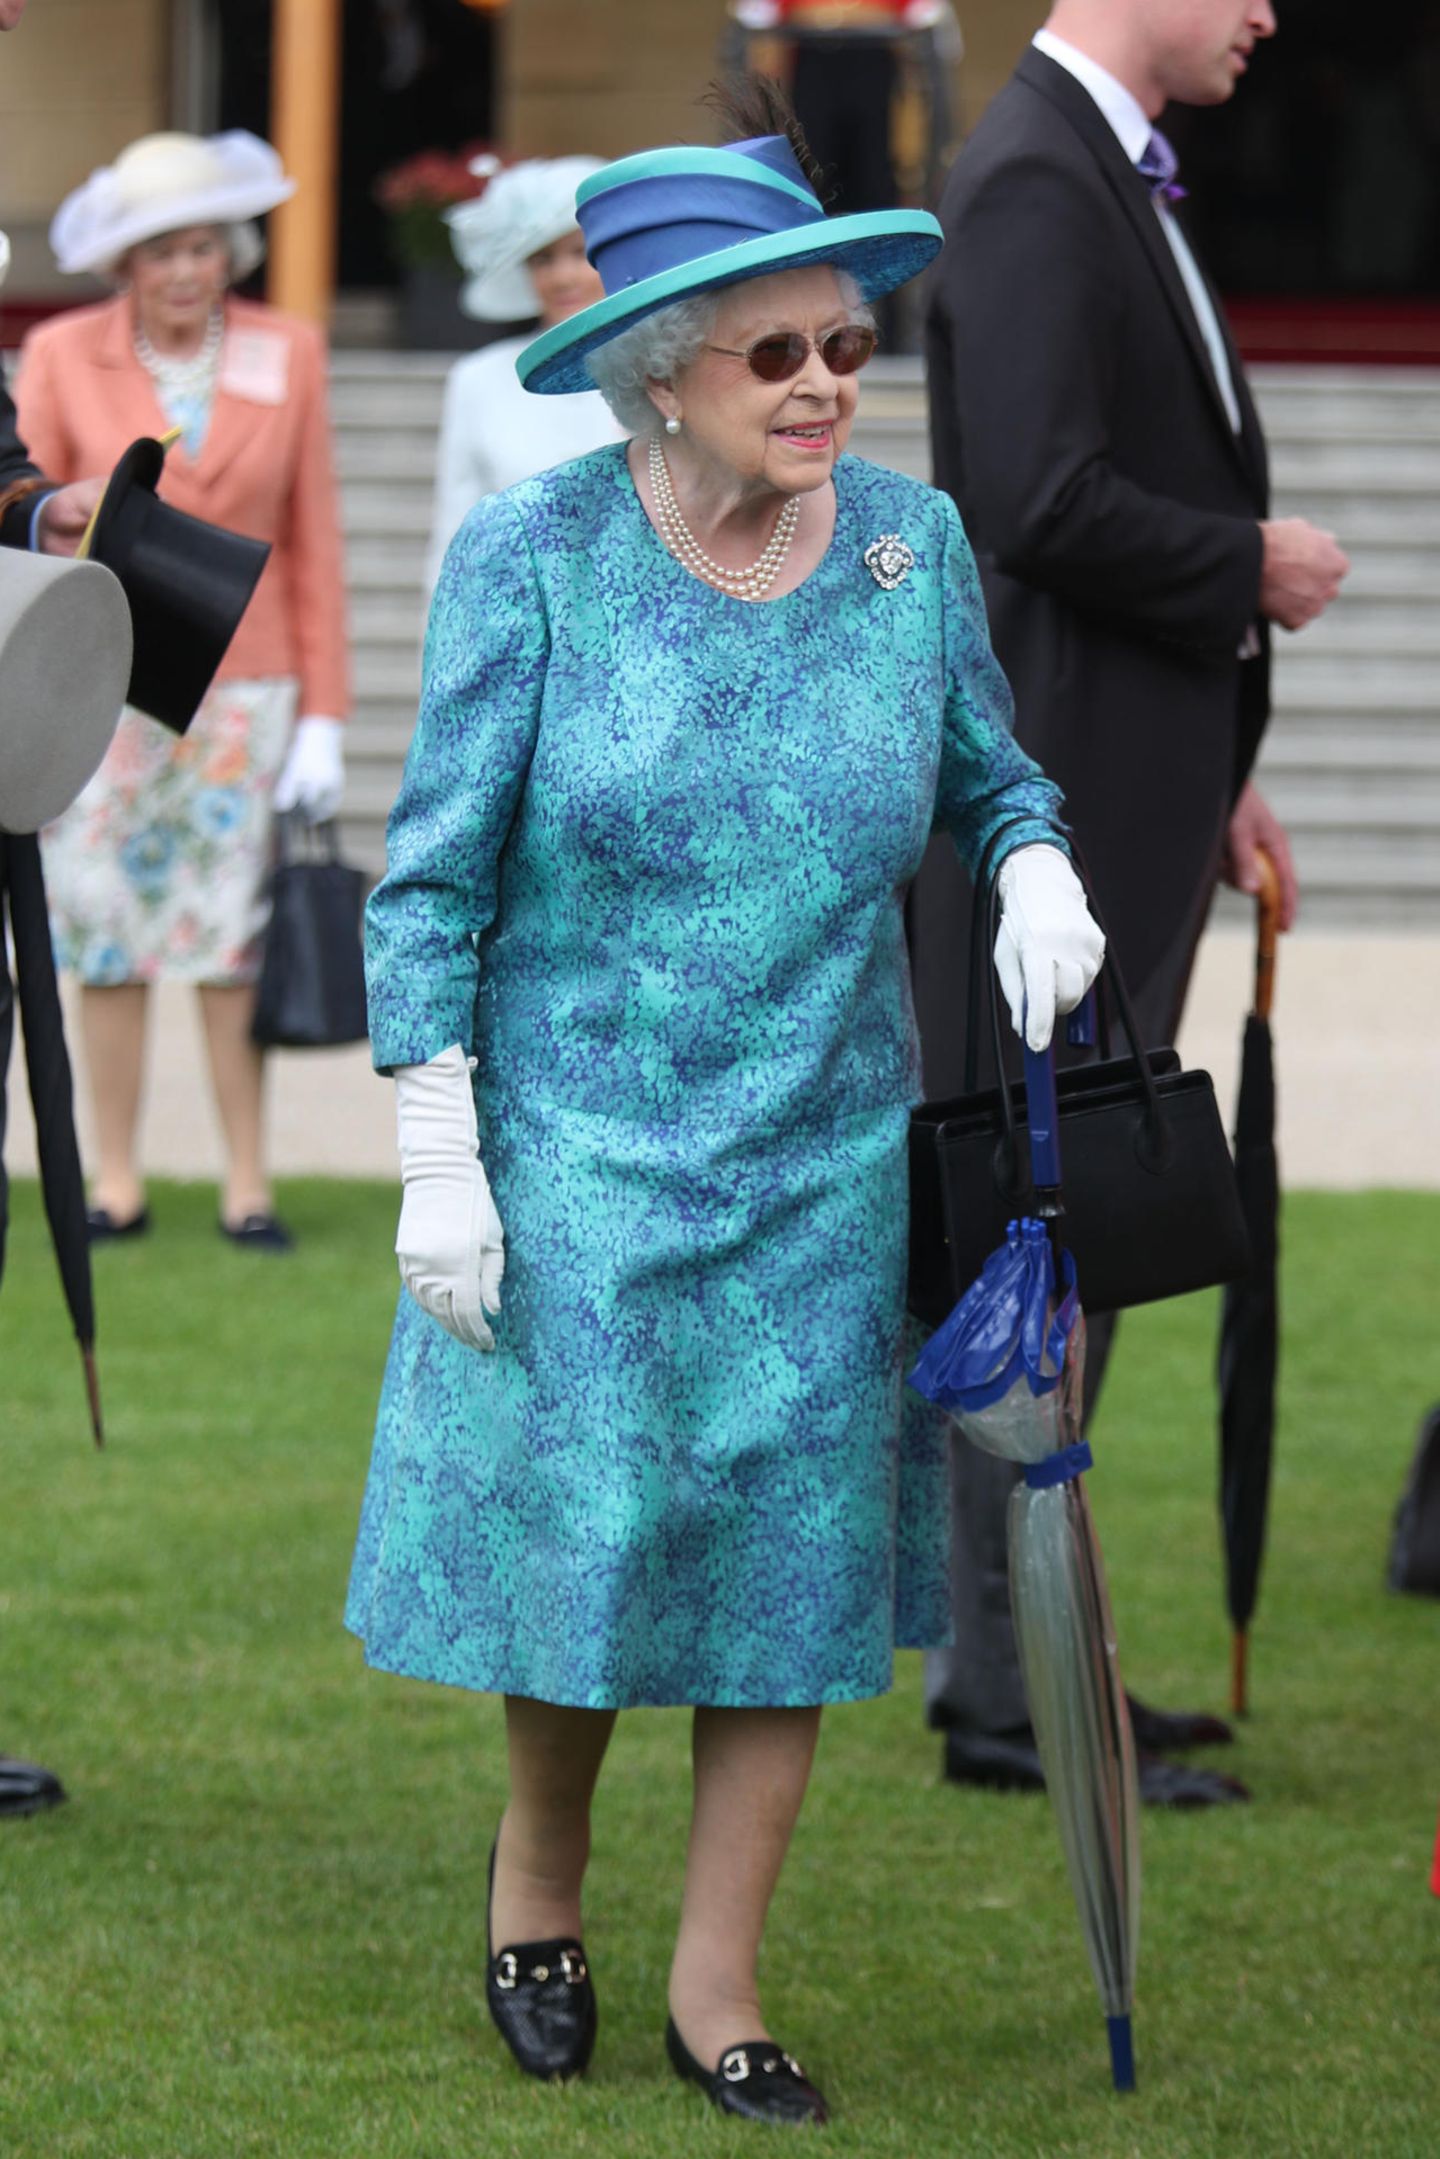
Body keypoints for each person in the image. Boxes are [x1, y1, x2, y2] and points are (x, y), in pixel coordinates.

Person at [346, 80, 1105, 2125]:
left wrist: (1036, 858)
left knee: (790, 1567)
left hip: (824, 1153)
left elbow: (991, 772)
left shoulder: (910, 545)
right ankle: (537, 1882)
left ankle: (721, 1980)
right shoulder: (536, 558)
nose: (826, 383)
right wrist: (437, 1148)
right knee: (593, 1539)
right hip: (579, 1150)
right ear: (658, 374)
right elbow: (427, 881)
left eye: (847, 341)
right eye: (775, 353)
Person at [912, 0, 1350, 1805]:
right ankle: (1011, 1692)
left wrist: (1217, 771)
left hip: (1126, 799)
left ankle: (1046, 1667)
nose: (1266, 15)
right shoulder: (1036, 177)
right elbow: (1034, 499)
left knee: (1071, 1242)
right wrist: (1246, 564)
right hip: (1052, 828)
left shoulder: (1095, 166)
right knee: (1033, 1243)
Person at [14, 128, 351, 1252]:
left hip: (245, 685)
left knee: (227, 938)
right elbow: (29, 522)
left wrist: (327, 711)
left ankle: (246, 1179)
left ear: (230, 253)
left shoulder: (289, 351)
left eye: (202, 246)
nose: (183, 269)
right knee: (104, 929)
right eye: (160, 250)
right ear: (125, 262)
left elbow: (313, 535)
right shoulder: (60, 353)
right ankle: (116, 1176)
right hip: (101, 677)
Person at [424, 155, 623, 595]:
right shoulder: (479, 377)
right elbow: (455, 524)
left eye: (579, 253)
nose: (562, 277)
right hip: (514, 610)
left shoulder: (660, 367)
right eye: (542, 260)